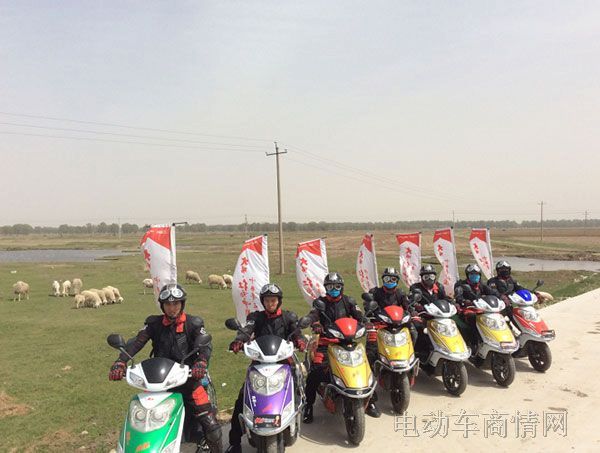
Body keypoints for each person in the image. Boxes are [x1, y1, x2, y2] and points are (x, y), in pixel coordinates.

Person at [108, 283, 222, 453]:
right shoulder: (153, 323)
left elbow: (205, 345)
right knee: (141, 421)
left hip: (188, 382)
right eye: (168, 304)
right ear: (162, 306)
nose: (172, 308)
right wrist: (121, 361)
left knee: (211, 425)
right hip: (159, 384)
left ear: (182, 304)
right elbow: (137, 342)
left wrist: (201, 362)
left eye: (176, 303)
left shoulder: (193, 323)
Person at [225, 283, 305, 453]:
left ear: (279, 301)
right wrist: (239, 340)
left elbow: (296, 331)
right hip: (259, 363)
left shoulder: (288, 317)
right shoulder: (256, 317)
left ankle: (298, 415)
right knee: (242, 398)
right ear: (263, 301)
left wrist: (300, 340)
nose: (270, 303)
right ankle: (234, 442)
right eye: (267, 300)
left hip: (284, 362)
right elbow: (247, 330)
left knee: (297, 387)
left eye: (273, 300)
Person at [301, 272, 376, 423]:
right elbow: (314, 315)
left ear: (341, 287)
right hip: (326, 343)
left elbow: (359, 315)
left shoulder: (349, 301)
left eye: (337, 286)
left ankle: (371, 401)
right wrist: (313, 323)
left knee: (366, 366)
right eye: (330, 287)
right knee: (315, 372)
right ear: (326, 288)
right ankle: (308, 405)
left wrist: (365, 321)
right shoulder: (320, 303)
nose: (334, 289)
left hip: (348, 341)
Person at [363, 267, 418, 416]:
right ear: (383, 280)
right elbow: (367, 305)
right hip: (379, 324)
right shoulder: (375, 292)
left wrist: (412, 312)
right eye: (387, 279)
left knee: (413, 332)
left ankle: (410, 355)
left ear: (397, 281)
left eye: (393, 279)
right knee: (371, 348)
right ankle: (370, 375)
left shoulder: (400, 293)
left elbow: (407, 305)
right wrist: (369, 309)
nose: (390, 281)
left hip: (397, 323)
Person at [454, 264, 500, 350]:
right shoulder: (461, 285)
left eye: (477, 274)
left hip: (482, 309)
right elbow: (458, 297)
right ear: (468, 275)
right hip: (467, 310)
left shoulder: (481, 285)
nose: (475, 276)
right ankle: (474, 342)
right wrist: (465, 301)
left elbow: (493, 293)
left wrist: (501, 297)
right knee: (472, 318)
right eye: (472, 274)